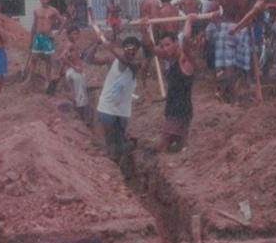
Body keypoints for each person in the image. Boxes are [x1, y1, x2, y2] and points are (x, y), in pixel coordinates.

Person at [88, 27, 144, 178]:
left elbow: (126, 62)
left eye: (134, 49)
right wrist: (97, 43)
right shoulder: (111, 60)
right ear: (124, 48)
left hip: (123, 112)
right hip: (106, 109)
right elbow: (89, 59)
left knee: (118, 144)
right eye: (128, 48)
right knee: (111, 142)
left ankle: (118, 168)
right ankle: (114, 172)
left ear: (137, 51)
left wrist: (110, 49)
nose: (131, 52)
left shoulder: (136, 65)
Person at [203, 0, 255, 102]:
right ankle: (247, 91)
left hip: (226, 27)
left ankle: (234, 98)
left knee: (229, 65)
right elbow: (259, 9)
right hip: (245, 26)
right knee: (245, 63)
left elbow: (209, 12)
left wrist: (218, 24)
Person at [155, 15, 197, 152]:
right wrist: (145, 27)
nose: (165, 49)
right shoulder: (170, 58)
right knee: (179, 146)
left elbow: (185, 39)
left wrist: (189, 20)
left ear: (176, 44)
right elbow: (153, 49)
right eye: (163, 46)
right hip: (175, 108)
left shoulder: (185, 60)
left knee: (163, 146)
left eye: (167, 45)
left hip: (179, 110)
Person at [28, 0, 64, 88]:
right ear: (40, 0)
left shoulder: (53, 11)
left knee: (48, 59)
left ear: (48, 0)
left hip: (47, 37)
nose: (44, 1)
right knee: (34, 58)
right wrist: (31, 40)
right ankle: (30, 79)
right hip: (37, 37)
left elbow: (63, 21)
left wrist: (57, 33)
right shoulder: (36, 11)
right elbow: (34, 25)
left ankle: (47, 80)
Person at [57, 25, 90, 121]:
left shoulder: (73, 45)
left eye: (78, 33)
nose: (77, 35)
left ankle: (79, 116)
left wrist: (60, 72)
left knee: (77, 93)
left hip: (72, 72)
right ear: (68, 35)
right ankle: (83, 118)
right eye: (74, 33)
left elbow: (65, 59)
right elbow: (62, 57)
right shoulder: (70, 45)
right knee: (81, 95)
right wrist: (74, 67)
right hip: (75, 73)